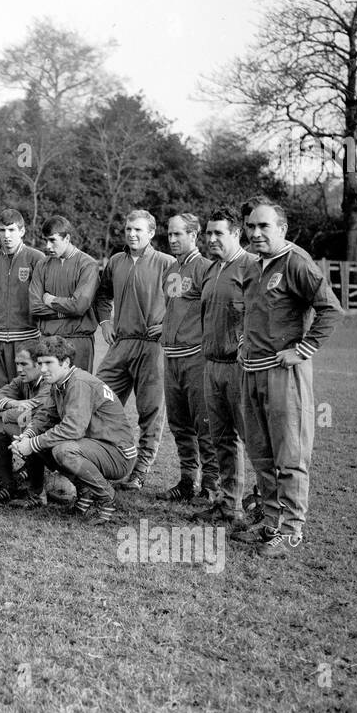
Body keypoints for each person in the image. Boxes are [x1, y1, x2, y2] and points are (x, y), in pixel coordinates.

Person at [239, 200, 342, 555]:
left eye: (264, 226)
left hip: (284, 374)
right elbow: (251, 314)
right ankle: (271, 523)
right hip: (251, 372)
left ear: (282, 229)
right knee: (261, 454)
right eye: (251, 226)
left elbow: (330, 309)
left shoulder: (296, 263)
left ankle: (292, 530)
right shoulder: (253, 268)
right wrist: (243, 341)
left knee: (290, 453)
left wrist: (302, 349)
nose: (255, 233)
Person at [10, 336, 137, 521]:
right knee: (43, 446)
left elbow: (73, 429)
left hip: (118, 454)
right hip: (95, 447)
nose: (43, 369)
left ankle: (107, 498)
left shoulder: (78, 383)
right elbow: (46, 416)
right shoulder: (59, 383)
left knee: (63, 450)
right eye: (40, 363)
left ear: (65, 362)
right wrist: (27, 436)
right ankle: (84, 491)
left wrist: (33, 443)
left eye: (48, 363)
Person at [93, 209, 173, 491]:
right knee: (98, 399)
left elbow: (185, 302)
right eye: (128, 229)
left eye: (138, 230)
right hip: (120, 343)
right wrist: (104, 322)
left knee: (149, 411)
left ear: (151, 233)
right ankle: (99, 460)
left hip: (152, 347)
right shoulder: (116, 261)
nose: (132, 234)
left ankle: (140, 471)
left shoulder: (167, 263)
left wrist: (166, 326)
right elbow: (102, 295)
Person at [195, 206, 260, 526]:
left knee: (254, 438)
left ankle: (267, 506)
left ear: (237, 234)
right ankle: (228, 504)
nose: (211, 239)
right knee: (220, 438)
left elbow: (264, 313)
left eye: (219, 233)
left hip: (240, 369)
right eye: (208, 233)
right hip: (211, 365)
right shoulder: (211, 269)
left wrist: (247, 347)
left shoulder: (252, 267)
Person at [160, 212, 218, 503]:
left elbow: (212, 313)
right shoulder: (172, 268)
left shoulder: (206, 268)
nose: (172, 239)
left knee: (204, 423)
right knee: (179, 423)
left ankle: (210, 486)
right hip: (170, 358)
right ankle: (186, 481)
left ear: (194, 236)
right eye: (169, 234)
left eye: (178, 234)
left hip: (196, 358)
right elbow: (173, 309)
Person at [0, 208, 46, 391]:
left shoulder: (36, 258)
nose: (6, 235)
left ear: (22, 231)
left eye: (11, 230)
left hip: (26, 338)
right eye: (2, 230)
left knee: (27, 389)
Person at [0, 340, 50, 507]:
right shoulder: (20, 381)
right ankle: (8, 484)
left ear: (38, 364)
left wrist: (5, 413)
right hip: (31, 430)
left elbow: (35, 410)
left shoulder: (48, 381)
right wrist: (14, 403)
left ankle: (38, 492)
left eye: (24, 364)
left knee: (25, 426)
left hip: (54, 436)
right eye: (17, 364)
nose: (19, 370)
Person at [28, 215, 99, 373]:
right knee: (46, 394)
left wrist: (51, 300)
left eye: (52, 240)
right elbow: (35, 307)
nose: (47, 246)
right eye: (45, 240)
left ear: (67, 238)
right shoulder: (42, 265)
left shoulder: (88, 265)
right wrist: (63, 312)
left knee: (77, 392)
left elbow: (79, 306)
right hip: (47, 340)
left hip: (78, 341)